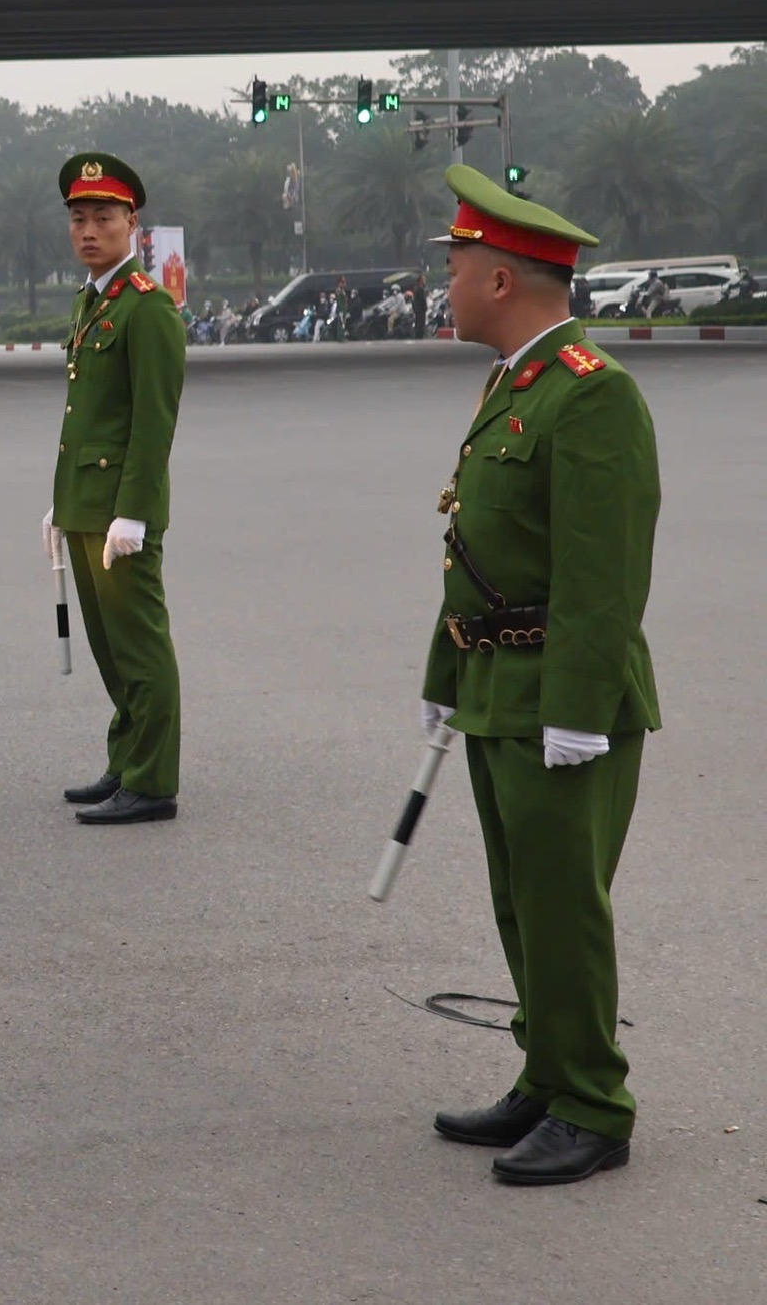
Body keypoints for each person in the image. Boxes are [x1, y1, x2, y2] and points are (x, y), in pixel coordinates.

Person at [419, 164, 658, 1187]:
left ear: (504, 279)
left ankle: (594, 1102)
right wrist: (443, 671)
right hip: (493, 685)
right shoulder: (513, 379)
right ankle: (547, 1070)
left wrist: (576, 707)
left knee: (564, 903)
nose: (450, 281)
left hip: (561, 696)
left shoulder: (593, 395)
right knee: (521, 900)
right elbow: (475, 544)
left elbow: (603, 571)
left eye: (461, 264)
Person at [43, 153, 185, 826]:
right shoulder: (91, 301)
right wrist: (62, 500)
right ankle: (126, 761)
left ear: (133, 222)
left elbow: (152, 423)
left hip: (121, 512)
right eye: (79, 218)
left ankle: (153, 781)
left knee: (139, 644)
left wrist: (132, 511)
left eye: (103, 216)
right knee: (107, 645)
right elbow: (88, 419)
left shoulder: (148, 310)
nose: (89, 229)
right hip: (87, 505)